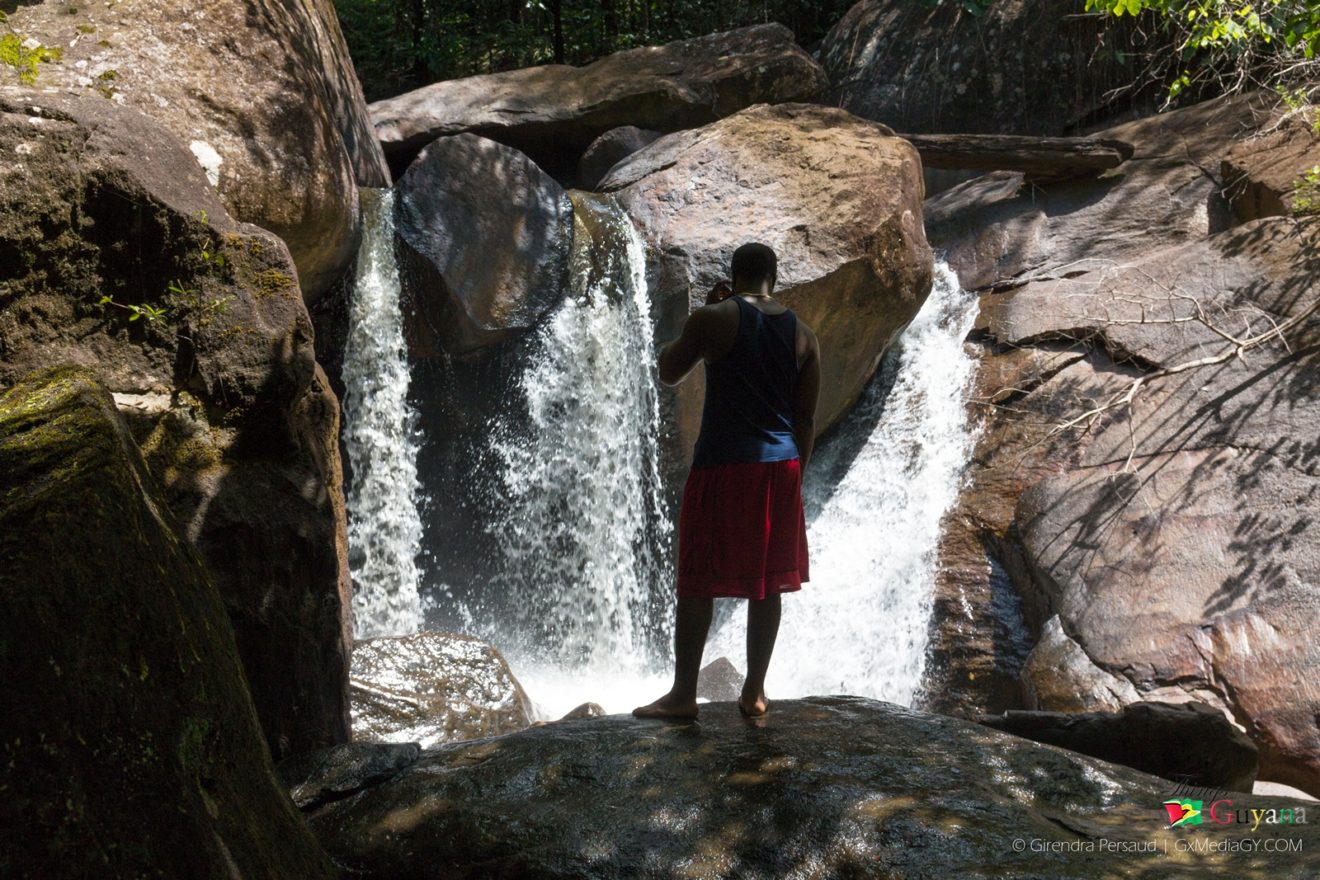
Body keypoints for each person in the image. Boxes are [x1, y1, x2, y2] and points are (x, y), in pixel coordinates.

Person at [633, 242, 820, 720]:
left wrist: (700, 317)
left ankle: (682, 696)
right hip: (782, 467)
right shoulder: (804, 335)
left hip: (722, 464)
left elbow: (669, 370)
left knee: (698, 579)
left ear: (733, 277)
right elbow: (805, 418)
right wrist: (796, 478)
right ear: (773, 279)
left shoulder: (715, 319)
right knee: (768, 583)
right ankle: (754, 693)